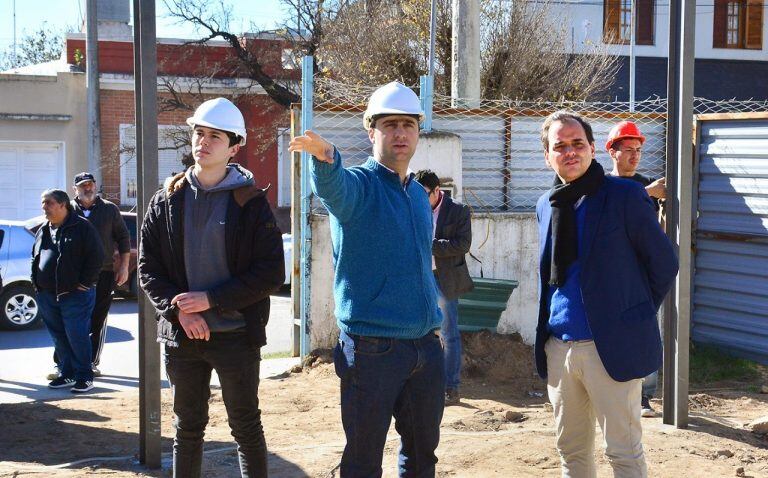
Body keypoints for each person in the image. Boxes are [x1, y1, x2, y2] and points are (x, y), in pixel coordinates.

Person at [289, 81, 445, 477]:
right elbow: (335, 190)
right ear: (371, 130)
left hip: (424, 349)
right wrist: (326, 159)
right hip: (373, 351)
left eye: (408, 124)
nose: (400, 133)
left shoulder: (415, 194)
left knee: (422, 455)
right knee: (362, 461)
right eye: (389, 124)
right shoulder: (360, 185)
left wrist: (433, 329)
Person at [138, 97, 285, 477]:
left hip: (236, 336)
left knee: (246, 428)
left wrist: (211, 299)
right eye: (199, 133)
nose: (203, 141)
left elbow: (270, 272)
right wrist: (178, 309)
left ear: (234, 146)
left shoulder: (251, 204)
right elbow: (147, 267)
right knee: (187, 430)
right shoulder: (167, 199)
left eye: (214, 136)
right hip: (183, 338)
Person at [535, 110, 678, 477]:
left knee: (624, 453)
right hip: (560, 347)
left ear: (593, 148)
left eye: (577, 144)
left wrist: (632, 315)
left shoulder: (624, 195)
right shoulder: (546, 205)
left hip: (610, 347)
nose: (570, 152)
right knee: (572, 453)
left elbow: (663, 264)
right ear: (547, 155)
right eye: (560, 146)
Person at [606, 120, 666, 418]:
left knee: (646, 329)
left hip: (641, 271)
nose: (634, 154)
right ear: (612, 152)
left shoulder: (645, 184)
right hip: (614, 273)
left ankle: (644, 396)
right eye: (628, 149)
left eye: (638, 149)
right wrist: (649, 193)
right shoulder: (605, 186)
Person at [46, 172, 131, 380]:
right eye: (83, 185)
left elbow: (123, 237)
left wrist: (124, 267)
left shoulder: (109, 209)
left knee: (97, 320)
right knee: (67, 320)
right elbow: (51, 234)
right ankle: (62, 365)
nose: (88, 188)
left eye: (91, 184)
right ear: (75, 189)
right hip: (71, 275)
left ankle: (91, 363)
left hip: (103, 273)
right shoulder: (67, 209)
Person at [32, 189, 104, 394]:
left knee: (77, 335)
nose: (44, 207)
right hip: (47, 295)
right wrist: (37, 283)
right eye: (43, 203)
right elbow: (35, 256)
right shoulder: (44, 229)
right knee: (59, 337)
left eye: (49, 203)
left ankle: (84, 376)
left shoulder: (82, 227)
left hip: (75, 295)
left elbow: (97, 257)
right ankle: (68, 373)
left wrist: (84, 283)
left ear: (63, 205)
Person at [415, 169, 473, 405]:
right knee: (418, 331)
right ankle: (422, 383)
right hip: (419, 277)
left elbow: (463, 244)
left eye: (424, 195)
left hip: (444, 278)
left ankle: (451, 387)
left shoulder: (458, 211)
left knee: (448, 334)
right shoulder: (414, 208)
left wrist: (431, 246)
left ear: (437, 191)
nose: (419, 200)